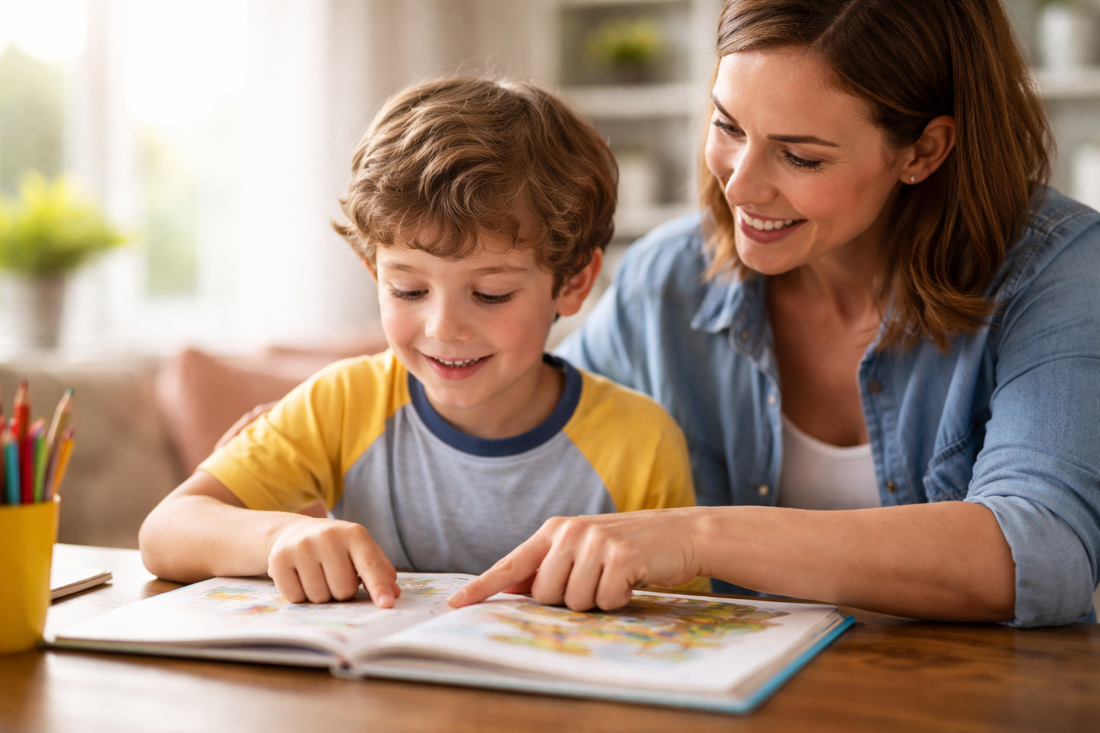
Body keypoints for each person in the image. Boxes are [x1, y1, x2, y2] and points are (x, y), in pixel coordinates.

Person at [449, 0, 1100, 627]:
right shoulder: (668, 280)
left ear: (923, 151)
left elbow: (1042, 546)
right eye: (729, 125)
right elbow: (518, 423)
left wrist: (701, 536)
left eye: (800, 155)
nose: (740, 185)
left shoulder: (1058, 272)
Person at [139, 77, 706, 606]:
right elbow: (167, 530)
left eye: (491, 294)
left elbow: (695, 619)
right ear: (373, 273)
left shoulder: (640, 441)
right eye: (408, 290)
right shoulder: (343, 404)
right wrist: (278, 534)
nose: (443, 328)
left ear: (575, 281)